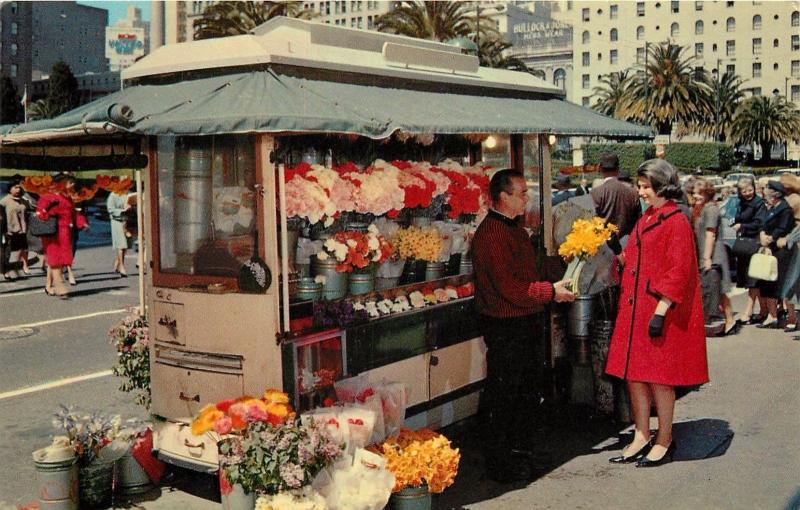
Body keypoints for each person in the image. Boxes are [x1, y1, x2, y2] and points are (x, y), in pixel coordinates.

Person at [472, 168, 575, 482]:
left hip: (524, 321)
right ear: (504, 198)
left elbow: (533, 268)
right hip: (506, 326)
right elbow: (511, 288)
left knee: (525, 391)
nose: (527, 198)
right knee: (504, 394)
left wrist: (569, 259)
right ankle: (499, 463)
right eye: (522, 193)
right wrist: (551, 292)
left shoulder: (513, 230)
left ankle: (519, 452)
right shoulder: (492, 234)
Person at [605, 159, 708, 467]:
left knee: (660, 379)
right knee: (635, 376)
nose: (640, 191)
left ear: (663, 186)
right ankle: (641, 434)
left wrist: (661, 311)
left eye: (646, 186)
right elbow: (638, 261)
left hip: (655, 310)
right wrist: (617, 252)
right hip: (635, 309)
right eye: (640, 186)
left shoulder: (676, 220)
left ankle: (664, 438)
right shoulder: (648, 216)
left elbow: (680, 271)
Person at [692, 179, 737, 335]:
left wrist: (706, 258)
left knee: (717, 289)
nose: (694, 196)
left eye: (698, 193)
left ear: (706, 193)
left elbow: (711, 234)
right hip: (710, 253)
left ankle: (728, 320)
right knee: (721, 290)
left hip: (713, 254)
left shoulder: (710, 209)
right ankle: (730, 320)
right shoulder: (703, 208)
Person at [36, 173, 87, 298]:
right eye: (69, 182)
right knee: (55, 259)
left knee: (59, 260)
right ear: (61, 183)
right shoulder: (48, 197)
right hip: (53, 233)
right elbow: (40, 214)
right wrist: (46, 210)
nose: (72, 185)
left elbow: (74, 213)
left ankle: (48, 286)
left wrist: (83, 223)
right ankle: (60, 286)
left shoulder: (68, 198)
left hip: (65, 233)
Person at [755, 181, 794, 329]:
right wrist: (763, 234)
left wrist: (769, 239)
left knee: (784, 285)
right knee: (769, 284)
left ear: (775, 195)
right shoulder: (771, 208)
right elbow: (763, 225)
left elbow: (782, 228)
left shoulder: (785, 210)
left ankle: (791, 318)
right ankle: (772, 316)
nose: (765, 195)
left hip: (782, 252)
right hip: (770, 250)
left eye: (767, 192)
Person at [731, 176, 766, 324]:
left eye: (750, 190)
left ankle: (748, 311)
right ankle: (763, 310)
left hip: (754, 243)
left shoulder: (758, 204)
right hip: (745, 245)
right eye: (744, 191)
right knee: (750, 280)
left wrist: (742, 226)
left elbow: (759, 223)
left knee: (753, 280)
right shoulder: (741, 203)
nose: (747, 193)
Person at [590, 153, 640, 239]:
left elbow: (591, 222)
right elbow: (638, 221)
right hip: (627, 244)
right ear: (618, 169)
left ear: (600, 169)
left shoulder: (595, 193)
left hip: (603, 246)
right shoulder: (633, 192)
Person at [0, 178, 33, 280]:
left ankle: (23, 265)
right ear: (10, 189)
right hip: (8, 230)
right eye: (15, 187)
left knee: (23, 248)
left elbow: (29, 212)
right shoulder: (4, 201)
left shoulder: (23, 200)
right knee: (6, 252)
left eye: (19, 187)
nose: (18, 189)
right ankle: (4, 271)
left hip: (21, 230)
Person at [107, 189, 132, 276]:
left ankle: (118, 261)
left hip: (126, 220)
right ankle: (122, 266)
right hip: (116, 221)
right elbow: (110, 209)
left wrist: (130, 206)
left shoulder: (128, 193)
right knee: (121, 244)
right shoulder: (113, 195)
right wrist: (122, 211)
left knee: (126, 244)